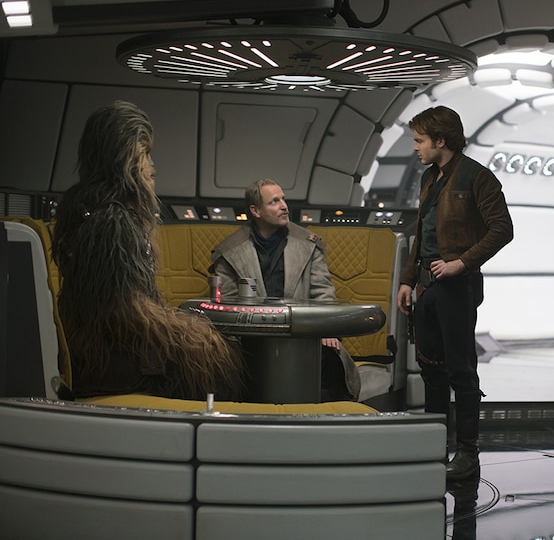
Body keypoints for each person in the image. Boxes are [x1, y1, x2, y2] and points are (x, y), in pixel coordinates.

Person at [52, 100, 245, 401]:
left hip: (104, 349)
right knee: (219, 360)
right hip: (113, 358)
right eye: (146, 154)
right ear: (124, 157)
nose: (153, 168)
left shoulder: (93, 211)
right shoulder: (112, 222)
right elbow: (121, 310)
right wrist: (192, 334)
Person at [396, 106, 514, 480]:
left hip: (457, 285)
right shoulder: (429, 178)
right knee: (431, 370)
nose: (416, 148)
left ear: (440, 140)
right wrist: (407, 279)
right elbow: (421, 232)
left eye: (420, 140)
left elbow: (502, 229)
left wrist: (461, 263)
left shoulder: (478, 177)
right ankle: (434, 448)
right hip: (429, 286)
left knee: (461, 372)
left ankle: (467, 454)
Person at [210, 178, 360, 401]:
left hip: (302, 337)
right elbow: (226, 307)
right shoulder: (231, 252)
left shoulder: (308, 245)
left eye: (283, 199)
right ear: (255, 210)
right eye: (274, 201)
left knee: (330, 360)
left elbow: (323, 294)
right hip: (251, 340)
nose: (284, 206)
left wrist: (327, 330)